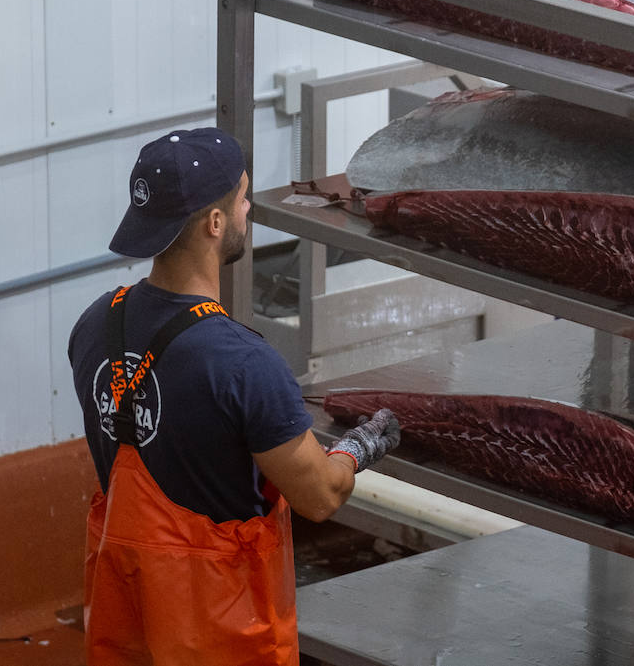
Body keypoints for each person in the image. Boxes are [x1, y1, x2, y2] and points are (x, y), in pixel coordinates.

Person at [69, 127, 401, 664]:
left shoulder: (94, 325)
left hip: (129, 622)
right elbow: (319, 497)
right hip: (221, 631)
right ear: (215, 223)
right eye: (244, 197)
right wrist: (357, 448)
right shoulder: (244, 364)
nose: (250, 207)